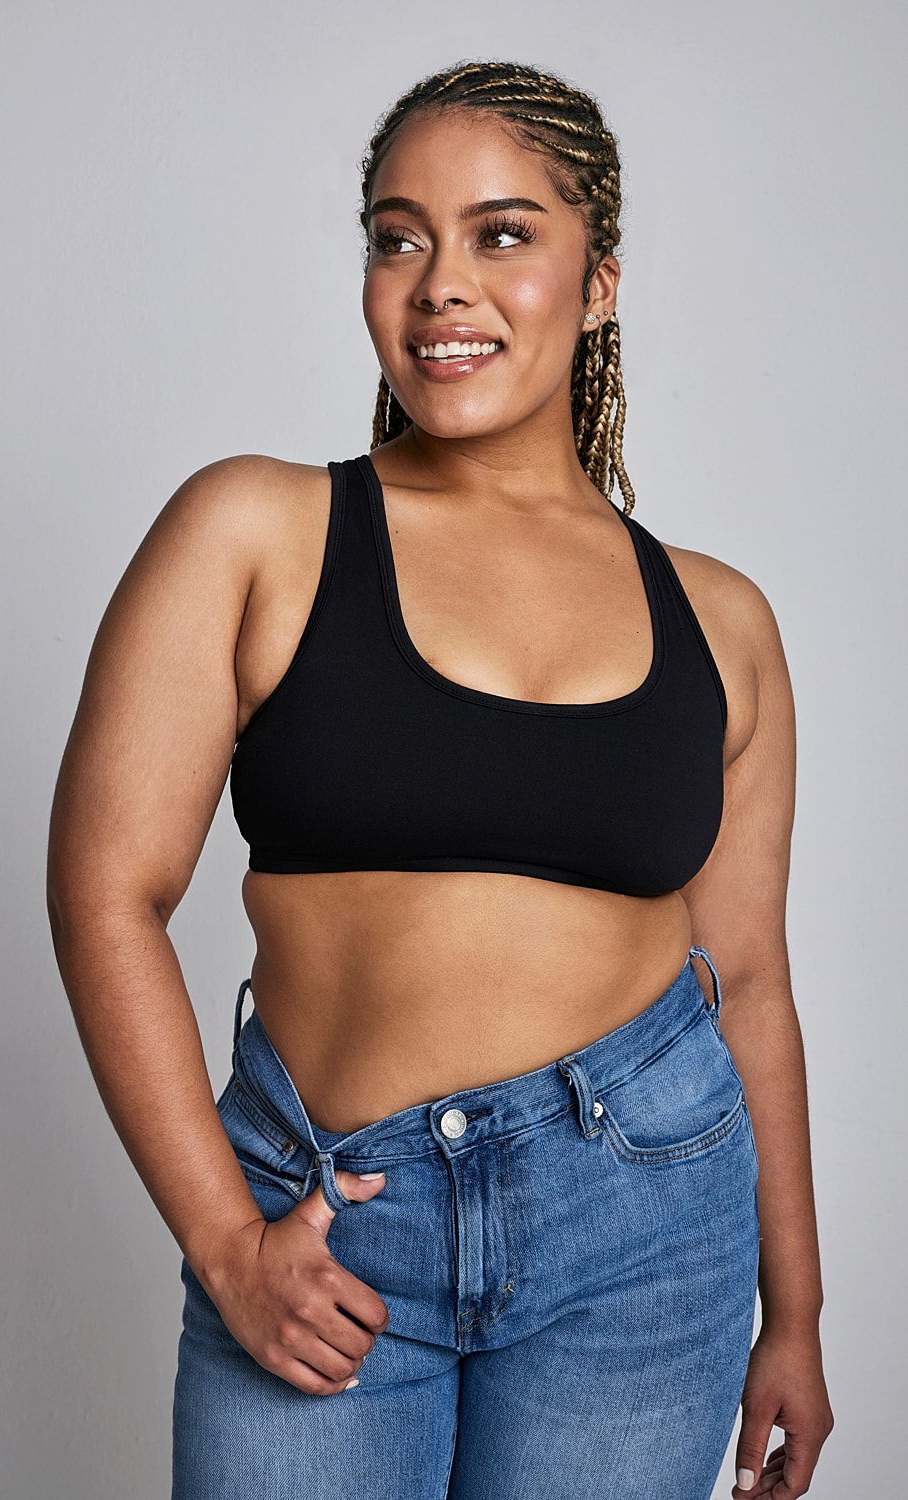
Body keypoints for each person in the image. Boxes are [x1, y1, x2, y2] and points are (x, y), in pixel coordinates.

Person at [47, 61, 833, 1500]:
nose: (438, 286)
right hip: (329, 1228)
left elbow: (753, 984)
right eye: (398, 236)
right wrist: (228, 1245)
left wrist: (798, 1312)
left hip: (647, 1242)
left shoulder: (720, 622)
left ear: (598, 283)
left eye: (502, 234)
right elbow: (106, 892)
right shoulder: (257, 531)